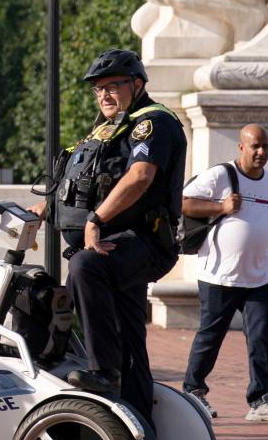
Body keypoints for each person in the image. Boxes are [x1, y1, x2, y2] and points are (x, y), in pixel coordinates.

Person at [46, 48, 185, 415]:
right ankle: (141, 431)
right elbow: (91, 182)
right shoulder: (110, 128)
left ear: (137, 84)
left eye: (113, 86)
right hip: (120, 242)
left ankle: (104, 372)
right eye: (98, 89)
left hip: (145, 240)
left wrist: (94, 220)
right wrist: (45, 208)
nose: (104, 95)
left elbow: (140, 177)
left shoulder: (153, 123)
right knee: (129, 339)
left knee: (85, 267)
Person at [180, 124, 268, 422]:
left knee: (262, 338)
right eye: (255, 146)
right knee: (210, 336)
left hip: (260, 277)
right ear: (241, 147)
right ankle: (193, 392)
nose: (261, 152)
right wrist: (221, 206)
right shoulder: (221, 176)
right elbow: (183, 203)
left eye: (265, 146)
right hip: (219, 275)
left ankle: (261, 400)